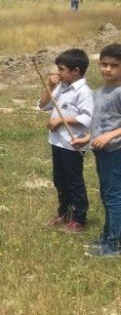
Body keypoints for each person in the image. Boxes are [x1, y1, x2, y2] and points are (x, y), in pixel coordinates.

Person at [71, 44, 121, 257]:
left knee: (114, 197)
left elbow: (110, 130)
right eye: (104, 64)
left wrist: (110, 136)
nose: (107, 69)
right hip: (102, 152)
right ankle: (107, 236)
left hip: (116, 151)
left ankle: (114, 244)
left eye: (114, 66)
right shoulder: (100, 92)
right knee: (107, 195)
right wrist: (87, 138)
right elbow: (101, 125)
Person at [38, 48, 93, 233]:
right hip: (57, 142)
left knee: (74, 181)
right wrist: (50, 86)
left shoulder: (84, 92)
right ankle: (64, 212)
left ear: (75, 70)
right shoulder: (61, 87)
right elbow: (42, 105)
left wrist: (61, 120)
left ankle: (79, 218)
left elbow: (87, 118)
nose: (57, 73)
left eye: (61, 69)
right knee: (59, 180)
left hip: (72, 143)